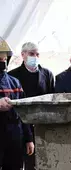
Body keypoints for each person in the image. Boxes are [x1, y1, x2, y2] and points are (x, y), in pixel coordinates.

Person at [8, 42, 55, 170]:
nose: (35, 57)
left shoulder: (48, 74)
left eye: (37, 54)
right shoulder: (13, 76)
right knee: (23, 161)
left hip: (43, 125)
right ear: (23, 55)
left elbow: (52, 99)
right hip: (22, 125)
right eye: (31, 54)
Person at [0, 37, 34, 169]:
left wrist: (29, 139)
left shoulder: (15, 82)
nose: (2, 60)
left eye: (3, 57)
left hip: (14, 139)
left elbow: (23, 113)